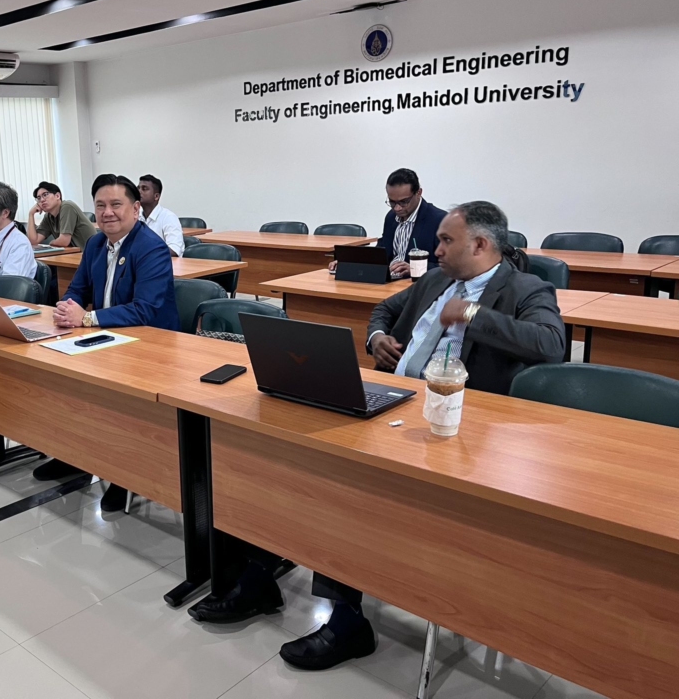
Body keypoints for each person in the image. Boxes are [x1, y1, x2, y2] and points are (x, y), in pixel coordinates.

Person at [191, 201, 566, 671]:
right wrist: (377, 338)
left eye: (446, 240)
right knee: (283, 458)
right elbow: (385, 309)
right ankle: (259, 572)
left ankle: (347, 620)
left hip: (458, 424)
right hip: (393, 400)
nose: (435, 249)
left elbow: (551, 345)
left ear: (480, 244)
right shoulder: (435, 280)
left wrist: (470, 311)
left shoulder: (527, 288)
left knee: (343, 486)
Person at [32, 174, 179, 513]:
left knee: (115, 401)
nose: (107, 212)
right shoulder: (96, 244)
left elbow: (145, 310)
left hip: (148, 345)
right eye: (100, 205)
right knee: (60, 379)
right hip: (107, 337)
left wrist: (87, 318)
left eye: (116, 204)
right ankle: (74, 456)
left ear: (136, 209)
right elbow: (78, 288)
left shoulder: (151, 247)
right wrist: (67, 307)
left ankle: (123, 476)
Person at [343, 168, 446, 280]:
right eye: (392, 202)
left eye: (404, 202)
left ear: (418, 193)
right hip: (390, 281)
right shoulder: (391, 217)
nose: (397, 208)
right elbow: (381, 252)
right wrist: (349, 263)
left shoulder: (439, 220)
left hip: (417, 284)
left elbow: (450, 265)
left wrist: (415, 268)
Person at [26, 181, 97, 249]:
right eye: (39, 198)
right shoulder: (49, 216)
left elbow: (64, 241)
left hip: (91, 253)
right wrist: (31, 214)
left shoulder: (67, 207)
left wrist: (51, 243)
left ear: (57, 196)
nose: (42, 200)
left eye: (45, 195)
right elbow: (34, 241)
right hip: (73, 253)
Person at [137, 174, 184, 256]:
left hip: (161, 263)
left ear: (156, 196)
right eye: (138, 188)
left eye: (144, 189)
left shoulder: (168, 217)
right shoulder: (135, 217)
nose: (139, 191)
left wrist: (145, 252)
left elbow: (175, 251)